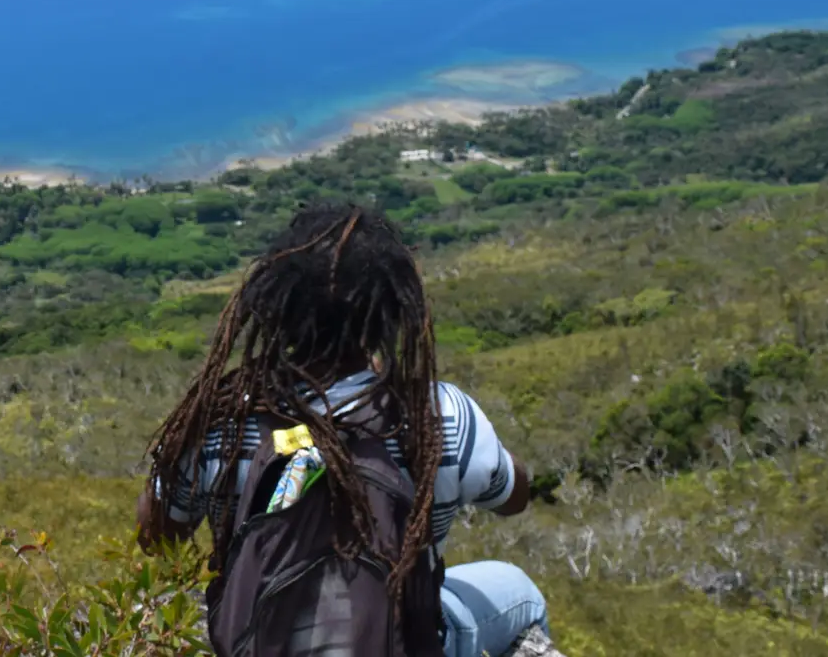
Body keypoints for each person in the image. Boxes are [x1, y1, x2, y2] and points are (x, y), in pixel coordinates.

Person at [137, 203, 551, 657]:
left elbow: (156, 538)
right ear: (392, 311)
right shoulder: (441, 417)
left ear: (277, 305)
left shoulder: (222, 423)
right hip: (403, 644)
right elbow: (513, 497)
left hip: (258, 643)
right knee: (521, 589)